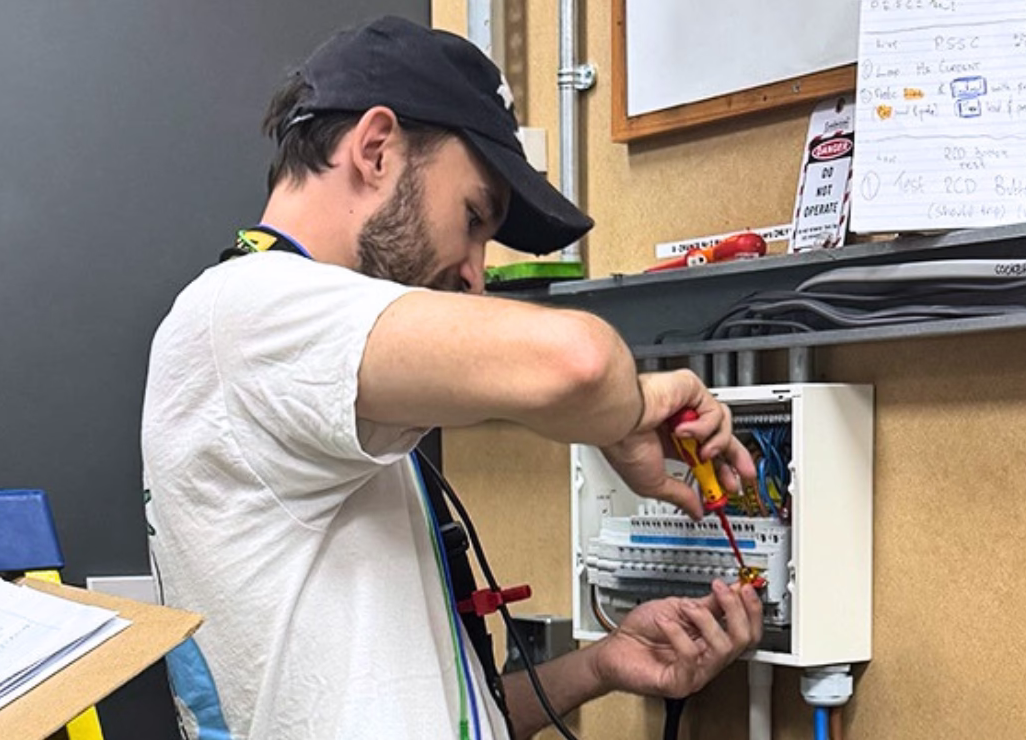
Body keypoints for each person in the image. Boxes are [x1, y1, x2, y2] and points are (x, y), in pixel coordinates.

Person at [142, 15, 761, 740]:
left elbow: (413, 706)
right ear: (375, 150)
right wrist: (632, 412)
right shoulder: (248, 312)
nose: (475, 273)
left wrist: (602, 666)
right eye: (473, 218)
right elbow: (579, 363)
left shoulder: (320, 377)